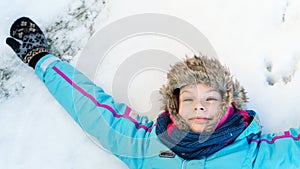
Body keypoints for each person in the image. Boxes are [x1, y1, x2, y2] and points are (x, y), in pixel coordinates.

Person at [6, 17, 300, 169]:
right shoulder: (146, 146)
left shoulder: (254, 155)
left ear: (228, 105)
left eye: (210, 99)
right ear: (174, 106)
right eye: (189, 99)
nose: (200, 107)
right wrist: (42, 59)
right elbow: (92, 109)